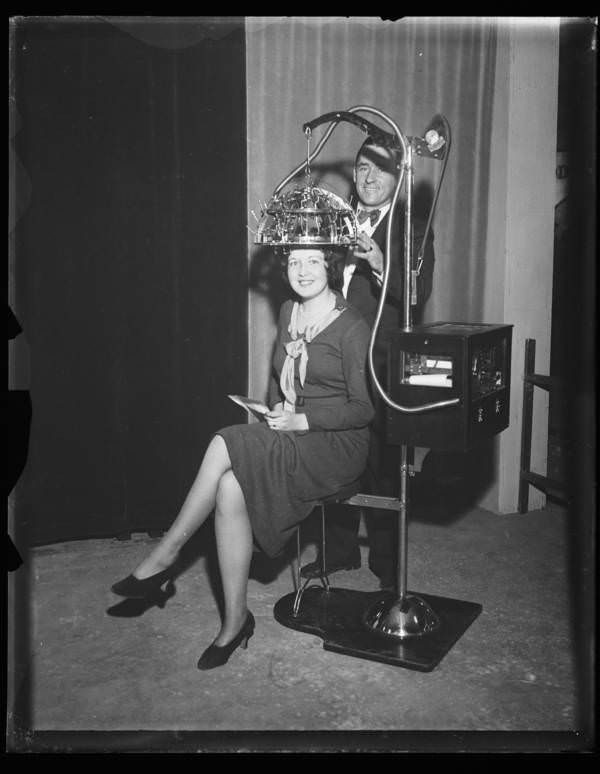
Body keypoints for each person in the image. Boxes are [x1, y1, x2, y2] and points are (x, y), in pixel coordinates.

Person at [111, 245, 374, 669]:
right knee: (230, 487)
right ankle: (236, 622)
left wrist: (302, 420)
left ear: (330, 265)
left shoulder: (352, 327)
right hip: (295, 434)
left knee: (224, 441)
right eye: (293, 262)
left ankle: (165, 556)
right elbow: (280, 381)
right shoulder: (290, 311)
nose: (302, 271)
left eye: (312, 261)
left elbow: (365, 409)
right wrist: (274, 414)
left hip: (337, 446)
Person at [300, 136, 434, 590]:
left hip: (381, 364)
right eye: (361, 167)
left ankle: (388, 567)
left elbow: (417, 295)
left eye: (380, 168)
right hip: (336, 359)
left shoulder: (410, 224)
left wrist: (380, 262)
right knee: (335, 457)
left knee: (382, 466)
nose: (369, 176)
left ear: (399, 177)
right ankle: (338, 553)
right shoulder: (340, 221)